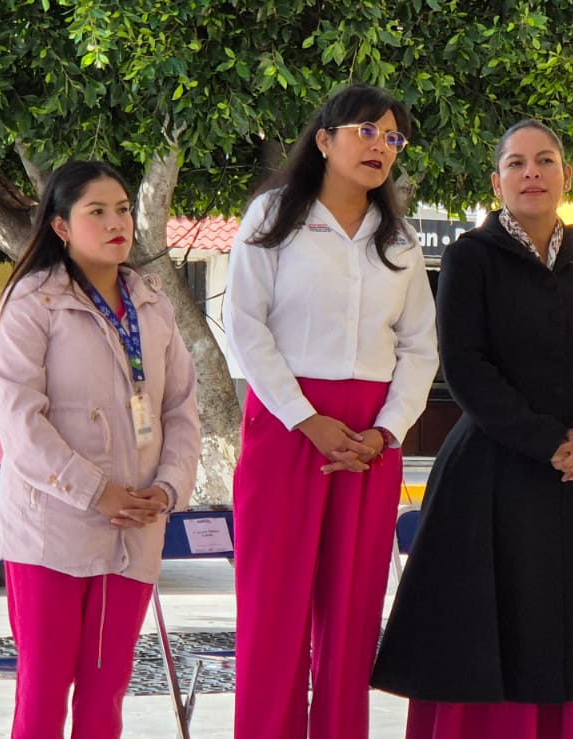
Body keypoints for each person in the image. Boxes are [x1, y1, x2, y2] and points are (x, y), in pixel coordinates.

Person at [372, 119, 573, 739]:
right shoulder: (468, 257)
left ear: (566, 176)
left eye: (545, 161)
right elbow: (464, 364)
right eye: (516, 163)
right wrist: (546, 441)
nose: (531, 173)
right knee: (491, 638)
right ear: (497, 181)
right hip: (492, 475)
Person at [223, 83, 437, 739]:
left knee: (350, 614)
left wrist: (385, 431)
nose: (381, 146)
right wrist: (304, 417)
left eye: (392, 137)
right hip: (287, 426)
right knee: (274, 610)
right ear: (323, 139)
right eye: (366, 131)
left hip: (370, 439)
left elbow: (421, 347)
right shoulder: (271, 217)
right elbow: (244, 326)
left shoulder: (398, 239)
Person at [0, 160, 202, 738]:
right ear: (60, 226)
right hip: (52, 531)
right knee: (45, 691)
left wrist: (168, 488)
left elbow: (181, 408)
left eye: (124, 209)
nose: (117, 223)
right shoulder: (32, 303)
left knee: (106, 695)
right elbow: (19, 424)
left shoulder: (152, 304)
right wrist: (96, 492)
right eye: (97, 212)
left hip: (134, 527)